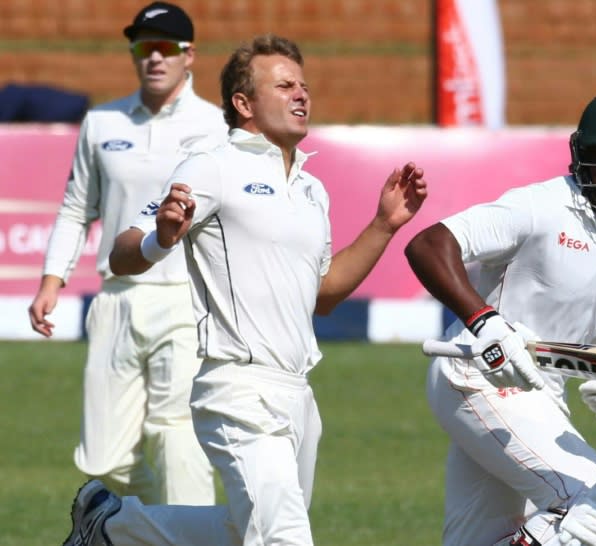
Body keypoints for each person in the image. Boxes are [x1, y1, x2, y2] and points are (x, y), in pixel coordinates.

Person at [61, 33, 428, 546]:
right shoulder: (213, 165)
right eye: (284, 85)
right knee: (284, 538)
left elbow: (323, 295)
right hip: (237, 391)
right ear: (243, 104)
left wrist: (385, 225)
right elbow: (125, 248)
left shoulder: (311, 188)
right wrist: (161, 237)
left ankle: (113, 528)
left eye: (303, 84)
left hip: (298, 395)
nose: (301, 94)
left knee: (241, 531)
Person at [404, 91, 596, 546]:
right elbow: (430, 245)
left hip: (545, 393)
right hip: (477, 373)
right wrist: (488, 324)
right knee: (595, 504)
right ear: (581, 156)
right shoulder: (539, 206)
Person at [28, 1, 227, 505]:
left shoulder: (217, 125)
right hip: (116, 297)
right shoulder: (102, 123)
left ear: (190, 56)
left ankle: (190, 537)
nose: (154, 58)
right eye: (144, 47)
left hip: (187, 298)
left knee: (176, 433)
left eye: (165, 48)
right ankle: (152, 526)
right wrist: (53, 280)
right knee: (103, 458)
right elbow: (78, 207)